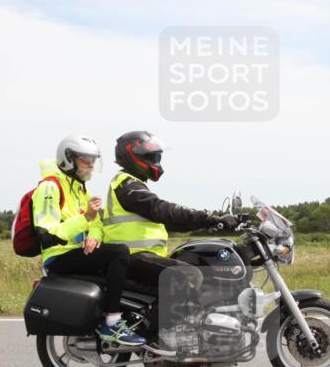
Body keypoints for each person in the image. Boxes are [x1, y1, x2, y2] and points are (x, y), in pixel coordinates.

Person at [101, 131, 238, 313]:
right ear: (133, 156)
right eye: (151, 156)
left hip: (142, 255)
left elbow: (173, 221)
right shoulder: (126, 185)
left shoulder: (135, 185)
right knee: (188, 275)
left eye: (157, 156)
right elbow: (163, 210)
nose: (155, 161)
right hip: (131, 256)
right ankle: (163, 331)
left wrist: (211, 224)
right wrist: (211, 218)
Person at [32, 134, 143, 346]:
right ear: (68, 159)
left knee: (126, 261)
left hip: (77, 252)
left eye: (93, 159)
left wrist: (93, 236)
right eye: (85, 159)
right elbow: (46, 235)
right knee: (119, 252)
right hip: (58, 255)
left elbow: (96, 225)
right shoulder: (50, 187)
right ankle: (112, 322)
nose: (91, 165)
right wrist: (85, 219)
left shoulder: (79, 187)